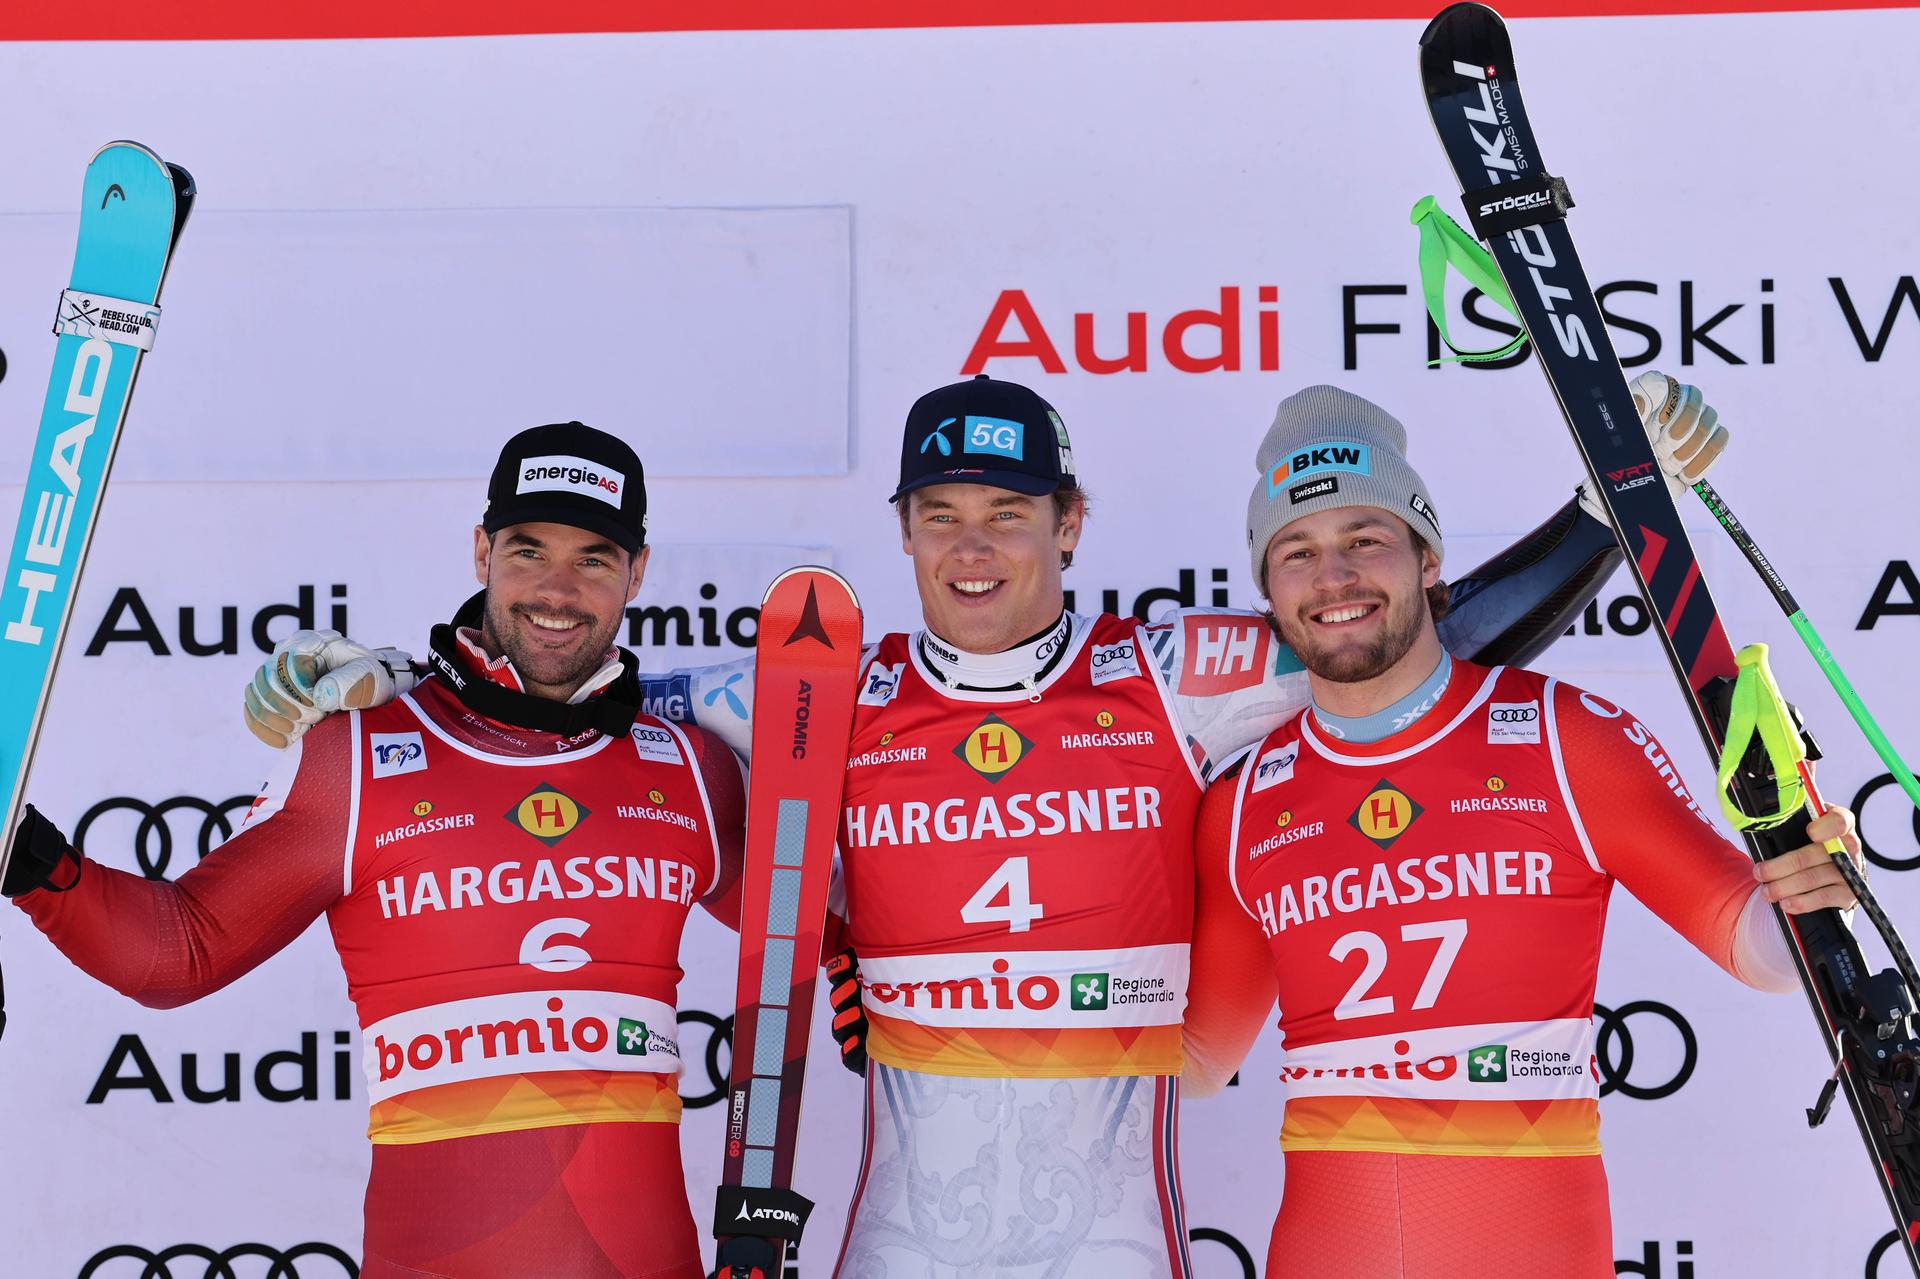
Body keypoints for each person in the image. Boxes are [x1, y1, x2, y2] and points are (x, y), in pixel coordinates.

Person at [249, 373, 1723, 1278]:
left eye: (1008, 512)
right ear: (900, 530)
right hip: (902, 1238)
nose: (973, 543)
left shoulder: (1171, 674)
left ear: (1069, 522)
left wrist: (1606, 513)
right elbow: (565, 703)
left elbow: (1394, 636)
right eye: (941, 510)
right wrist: (384, 680)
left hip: (1118, 1244)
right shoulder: (819, 692)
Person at [9, 423, 748, 1279]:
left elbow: (813, 936)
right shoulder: (355, 755)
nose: (557, 587)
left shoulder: (691, 767)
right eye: (527, 548)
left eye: (593, 557)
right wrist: (26, 854)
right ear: (481, 552)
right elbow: (176, 953)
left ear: (638, 572)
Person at [1180, 384, 1862, 1278]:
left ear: (1429, 560)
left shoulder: (1562, 737)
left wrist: (1814, 895)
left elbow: (1763, 951)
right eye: (1296, 550)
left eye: (1367, 539)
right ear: (1268, 588)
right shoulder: (1244, 801)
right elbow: (1192, 1060)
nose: (1334, 576)